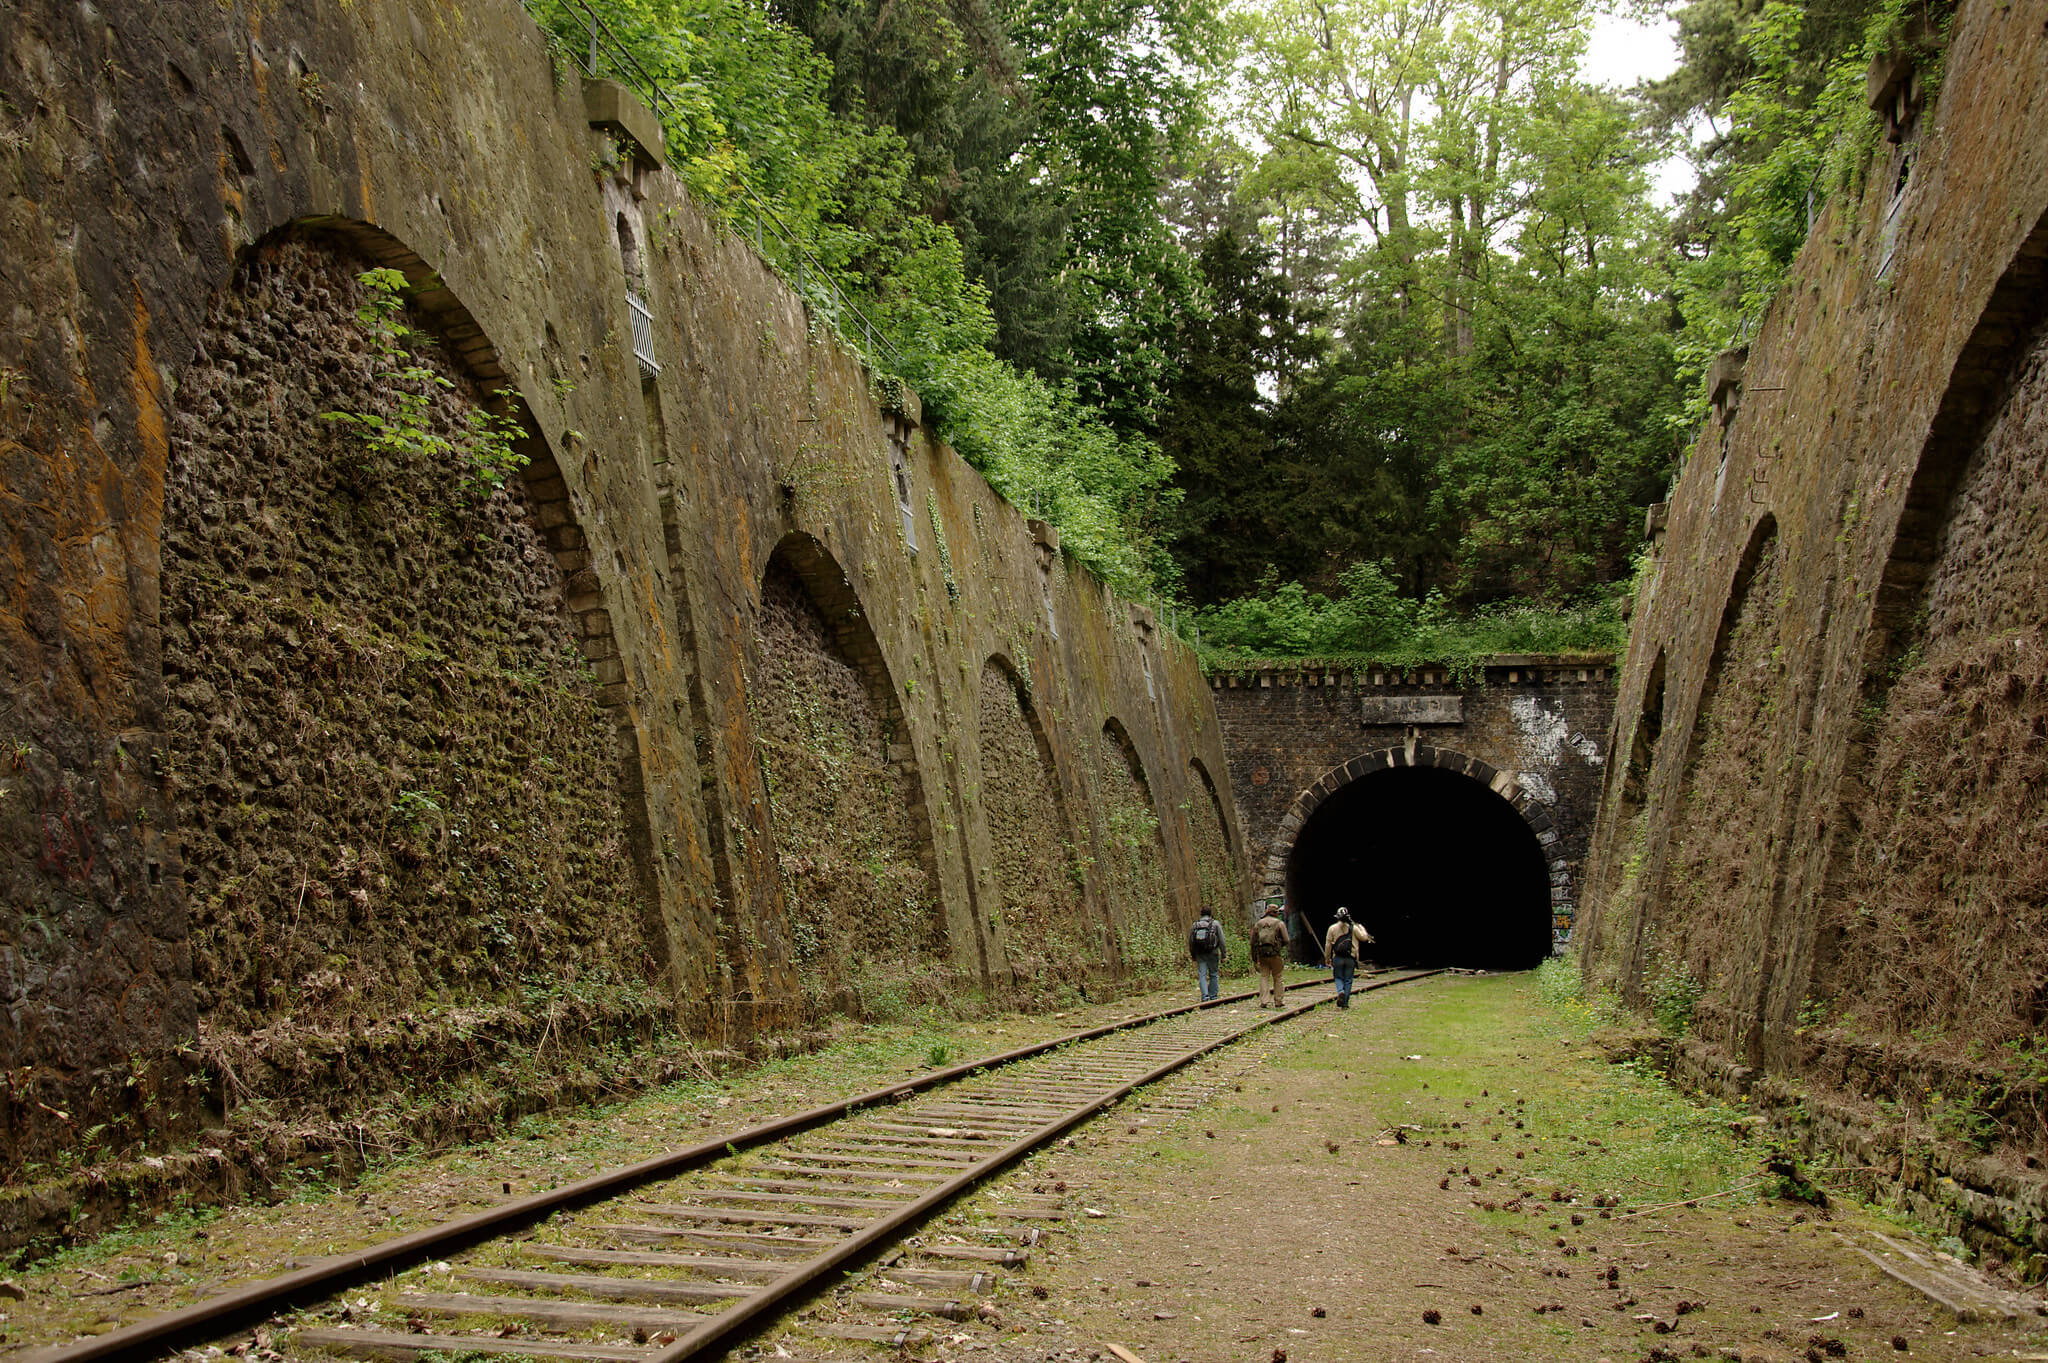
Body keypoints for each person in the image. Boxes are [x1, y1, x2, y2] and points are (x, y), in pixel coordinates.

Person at [1322, 906, 1373, 1009]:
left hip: (1337, 958)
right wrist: (1361, 927)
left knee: (1338, 977)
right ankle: (1345, 1003)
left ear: (1337, 917)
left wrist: (1327, 958)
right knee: (1348, 979)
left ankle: (1341, 991)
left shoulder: (1332, 928)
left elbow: (1328, 945)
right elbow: (1364, 938)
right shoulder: (1353, 928)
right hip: (1350, 958)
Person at [1250, 901, 1290, 1009]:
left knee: (1264, 976)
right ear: (1276, 913)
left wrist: (1254, 956)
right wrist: (1279, 946)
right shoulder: (1279, 923)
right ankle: (1278, 1000)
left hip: (1262, 954)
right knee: (1277, 977)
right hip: (1275, 954)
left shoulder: (1258, 924)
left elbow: (1253, 941)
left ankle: (1264, 1000)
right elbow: (1286, 939)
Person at [1187, 908, 1226, 1002]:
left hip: (1200, 953)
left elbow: (1191, 941)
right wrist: (1224, 954)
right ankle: (1213, 996)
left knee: (1202, 975)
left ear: (1201, 914)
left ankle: (1205, 996)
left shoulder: (1195, 925)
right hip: (1213, 952)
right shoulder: (1215, 923)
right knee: (1213, 974)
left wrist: (1193, 955)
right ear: (1210, 914)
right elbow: (1222, 940)